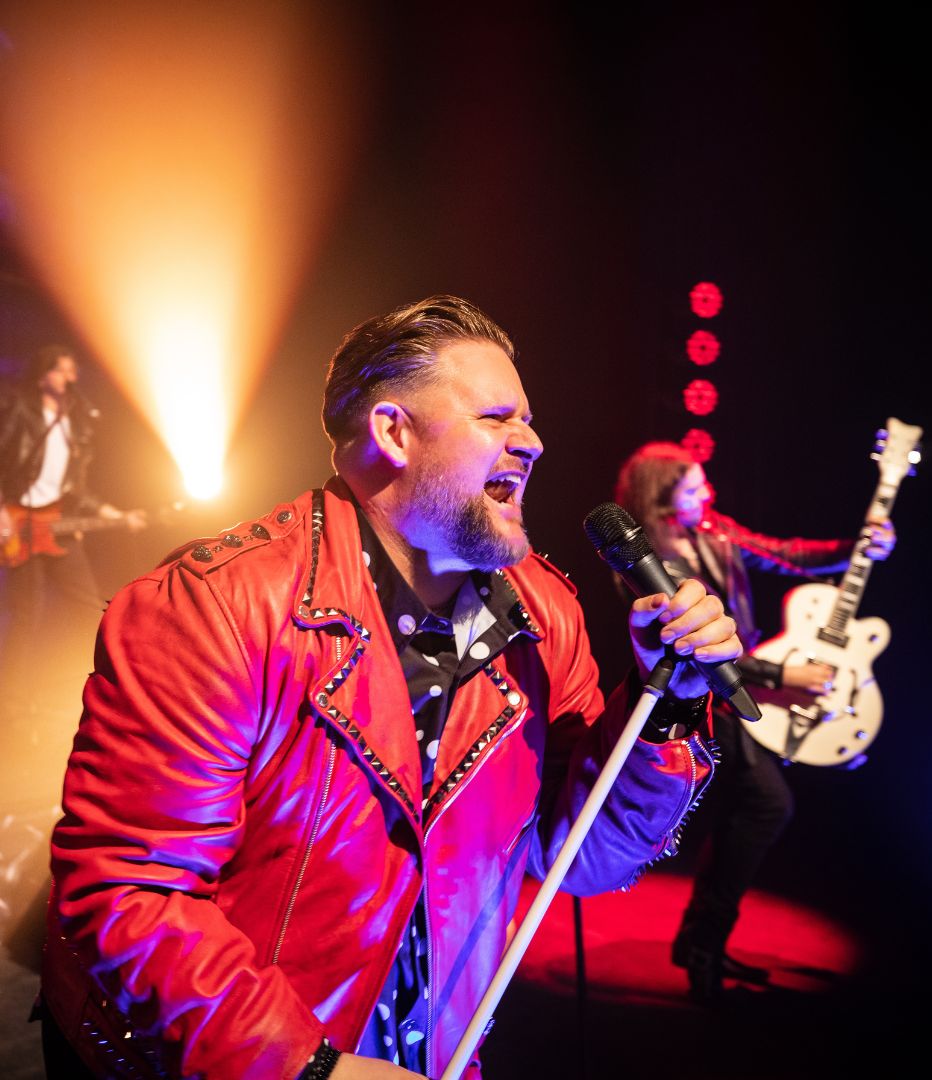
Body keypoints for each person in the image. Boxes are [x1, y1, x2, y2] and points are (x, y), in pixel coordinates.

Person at [37, 296, 745, 1080]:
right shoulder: (219, 606)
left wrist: (666, 701)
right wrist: (308, 1069)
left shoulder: (545, 616)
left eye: (530, 419)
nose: (533, 442)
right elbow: (131, 891)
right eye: (497, 417)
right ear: (392, 432)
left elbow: (582, 858)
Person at [612, 440, 895, 1001]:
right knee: (766, 804)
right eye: (694, 487)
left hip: (743, 692)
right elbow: (694, 646)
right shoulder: (655, 563)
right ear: (663, 499)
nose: (707, 493)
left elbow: (787, 553)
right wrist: (780, 674)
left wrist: (856, 547)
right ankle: (701, 944)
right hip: (707, 702)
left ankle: (702, 941)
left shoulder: (712, 531)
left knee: (751, 809)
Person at [0, 344, 147, 732]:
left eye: (72, 371)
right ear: (42, 374)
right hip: (19, 523)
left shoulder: (75, 425)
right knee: (25, 617)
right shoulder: (17, 410)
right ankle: (9, 708)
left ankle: (110, 686)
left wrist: (111, 514)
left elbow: (74, 489)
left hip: (57, 525)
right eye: (62, 371)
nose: (70, 378)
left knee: (89, 605)